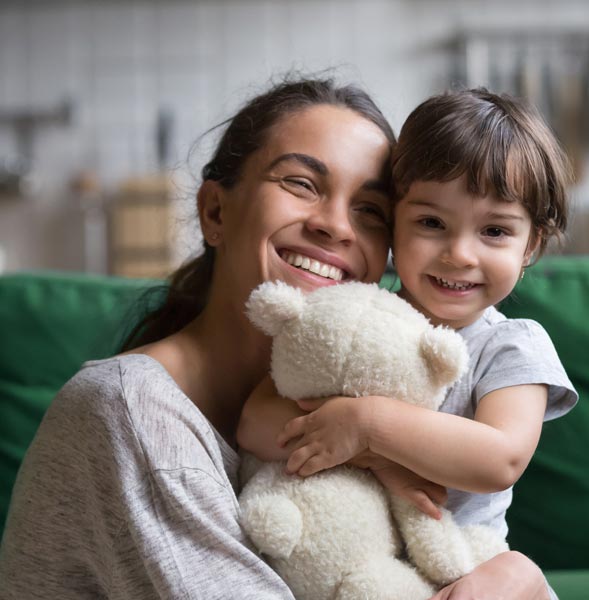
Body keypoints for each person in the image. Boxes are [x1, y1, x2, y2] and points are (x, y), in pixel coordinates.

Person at [0, 78, 554, 600]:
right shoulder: (129, 410)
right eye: (301, 183)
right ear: (215, 210)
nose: (336, 226)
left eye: (369, 210)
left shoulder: (424, 351)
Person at [238, 88, 578, 600]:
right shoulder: (356, 317)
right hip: (366, 569)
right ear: (394, 221)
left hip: (467, 567)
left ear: (530, 243)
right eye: (431, 223)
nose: (459, 254)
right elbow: (256, 421)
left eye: (494, 231)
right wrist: (371, 457)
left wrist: (367, 425)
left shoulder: (511, 344)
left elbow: (498, 459)